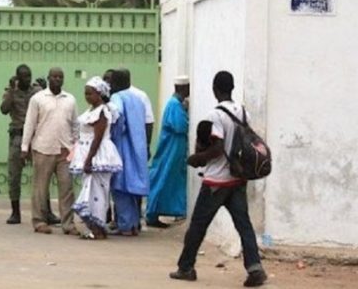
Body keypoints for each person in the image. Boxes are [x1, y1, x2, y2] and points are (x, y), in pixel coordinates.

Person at [170, 71, 267, 287]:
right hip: (237, 179)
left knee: (198, 225)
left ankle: (186, 267)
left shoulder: (216, 115)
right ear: (231, 88)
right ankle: (255, 268)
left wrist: (197, 159)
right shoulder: (244, 113)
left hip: (216, 181)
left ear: (215, 89)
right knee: (244, 225)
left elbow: (216, 148)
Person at [21, 67, 78, 235]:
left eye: (60, 77)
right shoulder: (38, 99)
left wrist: (76, 146)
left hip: (65, 150)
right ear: (48, 78)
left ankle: (68, 224)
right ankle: (39, 221)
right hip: (43, 148)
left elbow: (75, 125)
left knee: (67, 188)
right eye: (54, 77)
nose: (57, 79)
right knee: (40, 188)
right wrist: (24, 147)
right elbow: (30, 123)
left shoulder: (70, 99)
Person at [0, 64, 59, 225]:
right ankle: (15, 212)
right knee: (14, 175)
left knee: (42, 174)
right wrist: (11, 91)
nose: (28, 79)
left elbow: (50, 105)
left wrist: (46, 89)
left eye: (29, 76)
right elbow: (4, 109)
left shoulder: (37, 91)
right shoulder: (11, 91)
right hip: (18, 136)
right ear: (18, 78)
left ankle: (47, 211)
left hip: (36, 136)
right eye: (24, 77)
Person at [69, 77, 122, 239]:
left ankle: (98, 228)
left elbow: (97, 138)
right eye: (85, 93)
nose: (87, 97)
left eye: (90, 93)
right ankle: (94, 228)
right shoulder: (90, 111)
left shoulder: (102, 112)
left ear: (99, 94)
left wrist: (89, 159)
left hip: (98, 156)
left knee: (97, 192)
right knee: (90, 191)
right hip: (88, 153)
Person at [108, 69, 149, 236]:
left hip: (122, 147)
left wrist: (113, 134)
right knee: (132, 188)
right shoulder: (138, 99)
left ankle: (125, 225)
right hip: (137, 148)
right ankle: (133, 224)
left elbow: (117, 117)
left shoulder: (117, 98)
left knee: (120, 186)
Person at [146, 75, 190, 228]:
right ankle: (152, 213)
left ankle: (169, 211)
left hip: (175, 149)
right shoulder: (174, 105)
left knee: (170, 180)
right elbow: (180, 126)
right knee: (162, 178)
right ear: (184, 88)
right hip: (170, 149)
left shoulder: (177, 104)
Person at [104, 69, 155, 147]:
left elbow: (148, 121)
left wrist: (147, 144)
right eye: (104, 79)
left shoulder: (139, 95)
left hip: (134, 141)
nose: (107, 83)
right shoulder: (107, 96)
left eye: (109, 80)